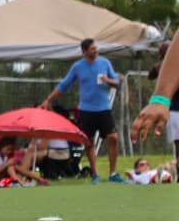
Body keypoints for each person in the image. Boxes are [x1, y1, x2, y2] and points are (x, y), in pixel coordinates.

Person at [41, 38, 122, 183]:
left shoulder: (105, 63)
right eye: (92, 49)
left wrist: (108, 80)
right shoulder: (77, 67)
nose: (95, 50)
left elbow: (116, 81)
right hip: (86, 111)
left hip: (104, 109)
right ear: (84, 51)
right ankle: (95, 174)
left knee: (113, 137)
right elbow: (64, 85)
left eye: (96, 48)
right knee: (88, 142)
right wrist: (48, 100)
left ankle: (113, 173)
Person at [133, 40, 178, 161]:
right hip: (172, 108)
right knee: (178, 142)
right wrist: (160, 98)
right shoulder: (160, 68)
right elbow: (150, 75)